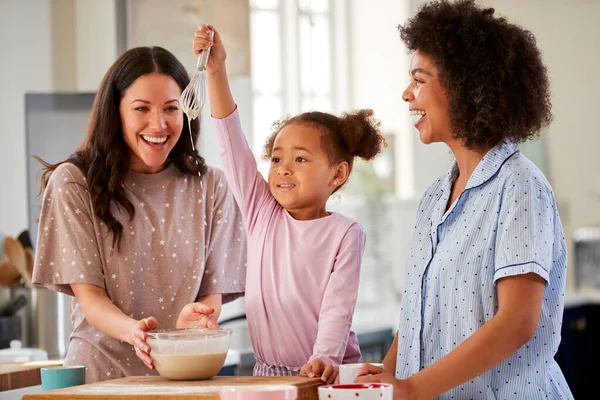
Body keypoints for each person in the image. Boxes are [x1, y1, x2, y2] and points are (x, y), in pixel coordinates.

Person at [355, 1, 573, 398]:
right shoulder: (436, 197)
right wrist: (384, 377)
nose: (407, 94)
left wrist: (411, 389)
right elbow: (418, 315)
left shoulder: (520, 185)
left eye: (419, 79)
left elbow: (517, 322)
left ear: (466, 86)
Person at [32, 46, 247, 383]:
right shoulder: (74, 182)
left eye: (171, 109)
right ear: (115, 113)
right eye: (141, 109)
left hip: (183, 379)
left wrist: (199, 316)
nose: (158, 124)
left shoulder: (212, 185)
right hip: (101, 379)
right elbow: (91, 299)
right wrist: (134, 332)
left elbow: (211, 293)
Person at [193, 24, 385, 383]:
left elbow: (337, 309)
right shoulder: (261, 212)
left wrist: (324, 357)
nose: (283, 169)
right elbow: (231, 143)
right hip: (268, 376)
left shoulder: (345, 233)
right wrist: (216, 72)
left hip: (327, 376)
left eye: (300, 160)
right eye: (277, 159)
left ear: (337, 174)